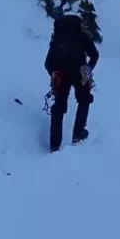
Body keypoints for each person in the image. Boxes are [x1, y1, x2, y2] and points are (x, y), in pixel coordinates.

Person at [44, 14, 99, 153]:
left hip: (61, 75)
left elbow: (48, 63)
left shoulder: (57, 37)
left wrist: (54, 74)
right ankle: (78, 133)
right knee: (84, 100)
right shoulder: (81, 35)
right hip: (80, 72)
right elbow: (94, 54)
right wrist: (88, 68)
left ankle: (54, 145)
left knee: (59, 107)